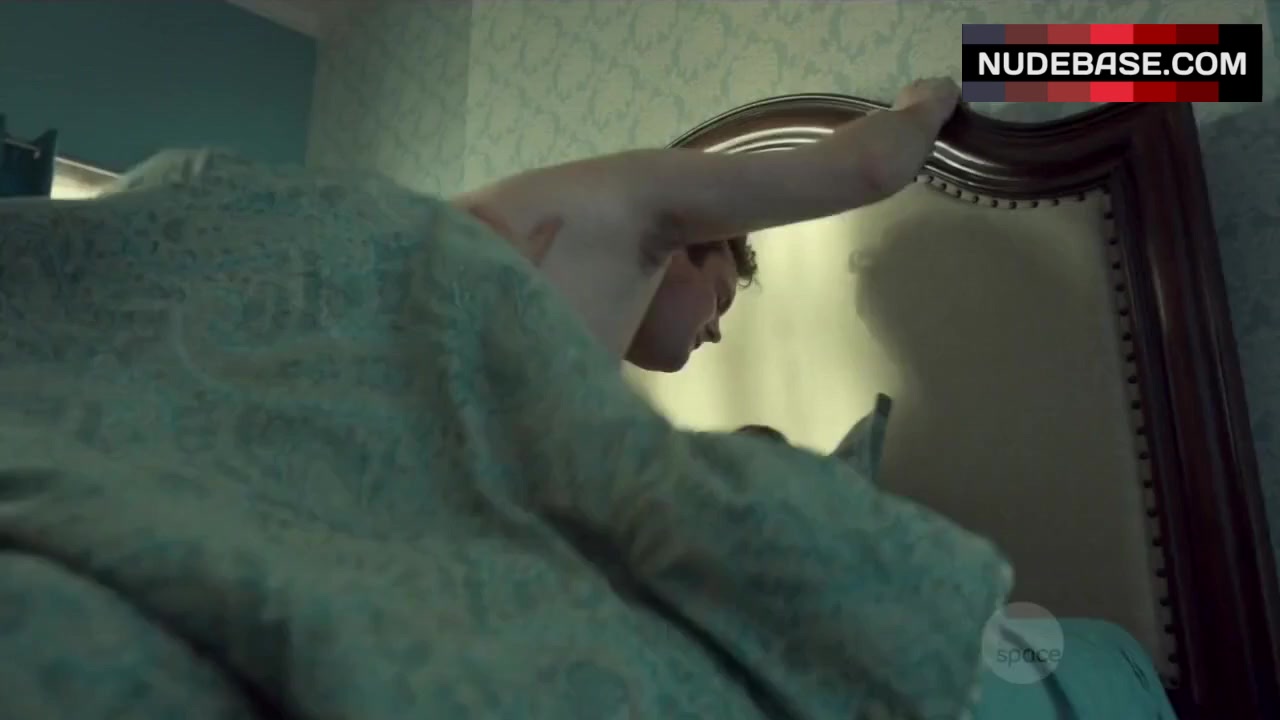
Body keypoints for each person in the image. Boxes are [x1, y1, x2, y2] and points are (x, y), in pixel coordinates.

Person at [452, 76, 962, 373]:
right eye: (719, 297)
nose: (716, 333)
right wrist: (926, 105)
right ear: (687, 244)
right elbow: (868, 168)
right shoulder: (634, 200)